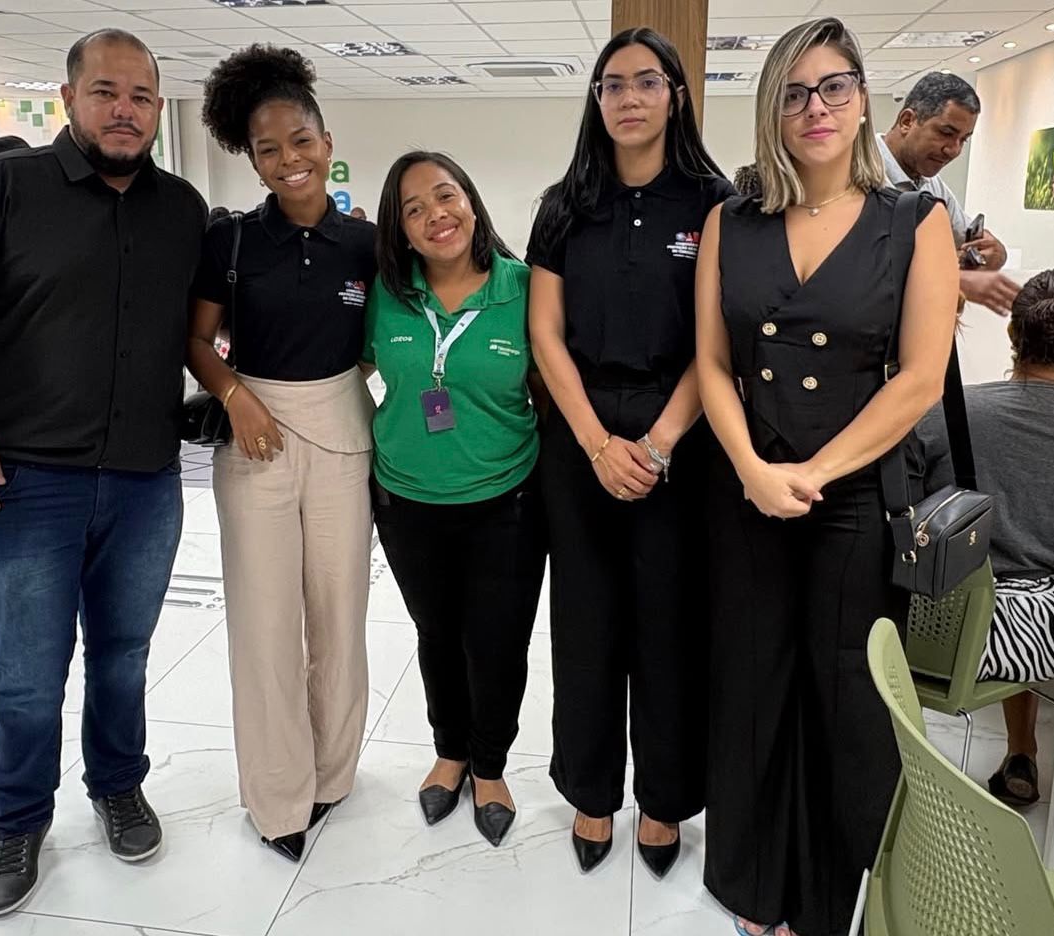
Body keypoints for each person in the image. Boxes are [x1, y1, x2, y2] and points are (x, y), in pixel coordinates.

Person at [0, 29, 206, 917]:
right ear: (67, 98)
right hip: (26, 482)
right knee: (29, 672)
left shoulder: (182, 208)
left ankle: (118, 785)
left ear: (157, 108)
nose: (124, 110)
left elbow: (197, 327)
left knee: (124, 655)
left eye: (141, 96)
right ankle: (20, 821)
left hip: (145, 480)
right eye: (106, 92)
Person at [695, 18, 958, 936]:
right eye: (796, 92)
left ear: (863, 99)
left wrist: (811, 472)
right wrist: (751, 469)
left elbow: (920, 378)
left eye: (835, 86)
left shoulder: (914, 222)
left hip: (855, 495)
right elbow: (712, 363)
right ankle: (753, 892)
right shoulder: (731, 220)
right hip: (749, 490)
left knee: (846, 696)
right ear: (773, 106)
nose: (817, 107)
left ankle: (832, 901)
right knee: (752, 685)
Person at [526, 27, 734, 878]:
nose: (629, 98)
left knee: (669, 625)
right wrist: (595, 443)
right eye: (613, 85)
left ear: (676, 96)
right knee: (585, 622)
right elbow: (545, 331)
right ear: (597, 100)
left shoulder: (716, 204)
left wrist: (654, 443)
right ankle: (591, 790)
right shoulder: (564, 203)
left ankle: (663, 800)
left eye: (647, 82)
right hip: (580, 434)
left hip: (680, 433)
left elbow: (717, 341)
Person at [187, 44, 376, 864]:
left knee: (339, 615)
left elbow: (390, 338)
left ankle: (331, 774)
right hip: (253, 434)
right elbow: (197, 341)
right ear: (251, 158)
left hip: (342, 431)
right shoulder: (230, 241)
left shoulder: (367, 244)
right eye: (268, 149)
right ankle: (276, 797)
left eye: (301, 141)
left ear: (327, 142)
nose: (288, 159)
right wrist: (235, 395)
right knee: (265, 626)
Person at [364, 151, 546, 847]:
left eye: (445, 196)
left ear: (471, 201)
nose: (435, 215)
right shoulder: (385, 294)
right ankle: (450, 751)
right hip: (407, 500)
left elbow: (553, 383)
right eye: (413, 209)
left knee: (497, 641)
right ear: (400, 230)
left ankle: (490, 764)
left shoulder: (523, 288)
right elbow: (347, 366)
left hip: (507, 499)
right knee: (436, 633)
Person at [918, 268, 1054, 809]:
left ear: (1012, 333)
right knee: (1042, 580)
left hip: (929, 624)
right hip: (1030, 639)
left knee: (990, 570)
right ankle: (1023, 748)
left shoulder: (945, 408)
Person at [879, 72, 1022, 316]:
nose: (954, 150)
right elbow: (862, 269)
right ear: (907, 121)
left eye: (963, 140)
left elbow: (971, 241)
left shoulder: (931, 185)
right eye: (946, 133)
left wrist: (995, 253)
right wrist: (955, 279)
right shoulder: (856, 171)